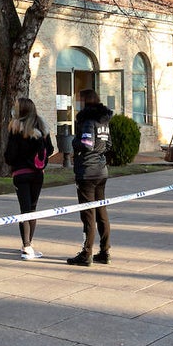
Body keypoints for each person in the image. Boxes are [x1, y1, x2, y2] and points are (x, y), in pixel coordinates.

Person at [3, 97, 55, 260]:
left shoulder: (15, 128)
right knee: (32, 209)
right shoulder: (42, 127)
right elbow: (51, 149)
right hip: (38, 174)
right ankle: (28, 244)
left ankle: (26, 246)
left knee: (24, 210)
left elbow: (10, 156)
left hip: (21, 174)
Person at [67, 88, 113, 267]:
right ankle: (105, 251)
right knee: (101, 212)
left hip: (87, 171)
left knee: (88, 214)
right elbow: (108, 144)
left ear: (85, 102)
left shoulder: (87, 120)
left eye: (78, 100)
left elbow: (87, 143)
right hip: (101, 171)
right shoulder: (104, 121)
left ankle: (86, 254)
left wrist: (73, 141)